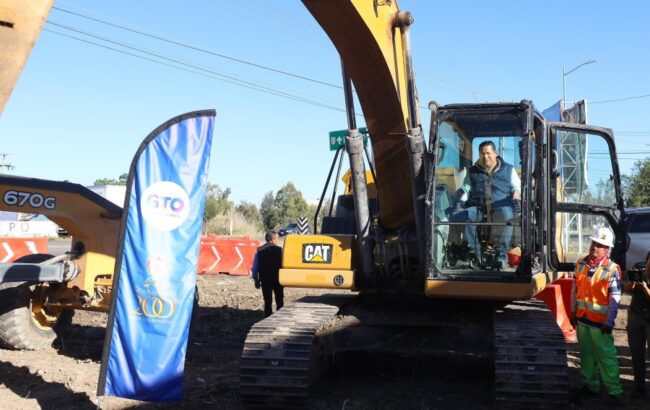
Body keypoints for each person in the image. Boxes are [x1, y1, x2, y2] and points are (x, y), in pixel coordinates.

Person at [571, 227, 623, 406]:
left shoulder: (611, 269)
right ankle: (590, 386)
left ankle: (614, 392)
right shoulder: (580, 264)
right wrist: (572, 312)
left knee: (606, 357)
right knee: (586, 356)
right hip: (583, 321)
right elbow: (574, 290)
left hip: (600, 324)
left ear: (606, 249)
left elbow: (615, 298)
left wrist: (609, 321)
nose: (595, 247)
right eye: (594, 243)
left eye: (600, 245)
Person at [452, 140, 521, 266]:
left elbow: (517, 187)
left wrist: (516, 195)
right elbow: (466, 189)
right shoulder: (473, 171)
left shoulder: (508, 169)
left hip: (500, 205)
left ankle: (501, 254)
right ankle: (475, 253)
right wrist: (460, 201)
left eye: (488, 153)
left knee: (507, 215)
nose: (485, 157)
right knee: (466, 215)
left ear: (496, 153)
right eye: (482, 154)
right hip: (478, 206)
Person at [624, 258, 650, 399]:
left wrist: (645, 287)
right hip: (636, 315)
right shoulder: (638, 268)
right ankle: (639, 387)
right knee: (636, 354)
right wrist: (632, 283)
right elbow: (626, 290)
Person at [251, 230, 284, 317]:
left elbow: (255, 268)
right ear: (273, 239)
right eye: (277, 238)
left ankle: (267, 318)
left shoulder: (259, 251)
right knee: (279, 301)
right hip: (278, 280)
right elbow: (284, 265)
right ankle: (279, 318)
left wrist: (256, 280)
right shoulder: (280, 250)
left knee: (267, 301)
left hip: (265, 280)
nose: (278, 240)